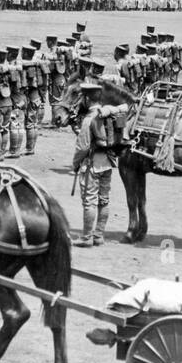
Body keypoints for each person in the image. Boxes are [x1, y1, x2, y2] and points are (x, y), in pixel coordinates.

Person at [72, 81, 117, 246]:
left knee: (89, 201)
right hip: (107, 164)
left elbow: (82, 147)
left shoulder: (89, 119)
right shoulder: (107, 115)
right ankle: (98, 236)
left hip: (91, 165)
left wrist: (75, 163)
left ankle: (86, 238)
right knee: (104, 200)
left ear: (86, 99)